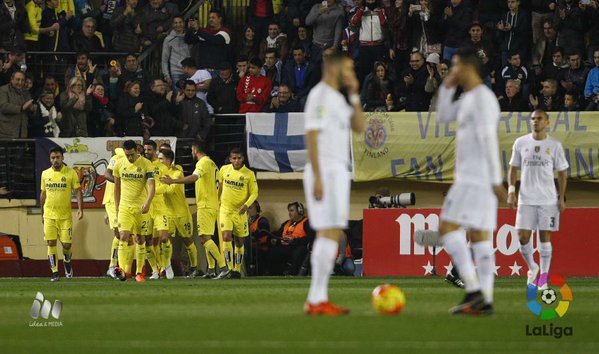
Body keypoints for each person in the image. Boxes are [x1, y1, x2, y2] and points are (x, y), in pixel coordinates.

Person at [416, 47, 506, 315]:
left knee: (448, 229)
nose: (451, 71)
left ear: (467, 68)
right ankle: (484, 300)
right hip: (472, 178)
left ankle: (475, 290)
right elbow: (443, 116)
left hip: (475, 178)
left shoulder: (483, 100)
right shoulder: (469, 99)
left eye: (455, 66)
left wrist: (495, 180)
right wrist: (446, 86)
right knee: (479, 238)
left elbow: (489, 140)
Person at [303, 53, 366, 315]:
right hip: (325, 170)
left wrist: (354, 93)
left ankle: (318, 298)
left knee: (334, 232)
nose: (351, 71)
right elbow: (312, 135)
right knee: (327, 232)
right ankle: (316, 299)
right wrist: (318, 176)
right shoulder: (319, 95)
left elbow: (360, 126)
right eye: (348, 67)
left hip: (339, 170)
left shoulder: (339, 98)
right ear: (335, 67)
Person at [508, 110, 568, 290]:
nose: (535, 121)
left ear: (547, 122)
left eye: (539, 118)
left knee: (544, 237)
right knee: (522, 236)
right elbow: (513, 168)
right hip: (525, 198)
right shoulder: (521, 143)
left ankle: (543, 279)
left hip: (548, 199)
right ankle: (532, 267)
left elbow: (562, 172)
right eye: (533, 119)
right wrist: (511, 191)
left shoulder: (554, 145)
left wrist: (561, 196)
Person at [161, 141, 230, 279]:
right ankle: (211, 269)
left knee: (204, 238)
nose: (191, 152)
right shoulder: (212, 164)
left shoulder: (202, 163)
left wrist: (173, 181)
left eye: (192, 150)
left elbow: (194, 177)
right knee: (208, 237)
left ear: (195, 149)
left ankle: (223, 267)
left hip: (205, 205)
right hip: (212, 204)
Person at [113, 139, 156, 282]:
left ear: (137, 151)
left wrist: (148, 203)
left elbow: (152, 186)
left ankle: (139, 272)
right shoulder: (119, 164)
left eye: (131, 155)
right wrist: (117, 206)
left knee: (140, 238)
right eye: (127, 155)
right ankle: (123, 270)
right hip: (125, 206)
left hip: (141, 207)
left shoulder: (146, 164)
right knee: (123, 236)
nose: (129, 158)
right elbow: (116, 187)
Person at [40, 147, 83, 281]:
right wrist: (42, 213)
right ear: (50, 159)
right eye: (53, 158)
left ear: (62, 158)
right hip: (49, 215)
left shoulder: (71, 173)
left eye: (58, 157)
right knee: (51, 242)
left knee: (66, 245)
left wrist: (80, 209)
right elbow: (43, 194)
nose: (55, 160)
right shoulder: (45, 174)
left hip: (65, 216)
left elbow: (78, 191)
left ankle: (67, 261)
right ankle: (55, 273)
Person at [218, 148, 259, 279]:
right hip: (225, 209)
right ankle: (229, 268)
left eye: (239, 158)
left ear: (243, 159)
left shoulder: (249, 174)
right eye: (234, 158)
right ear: (230, 159)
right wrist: (217, 202)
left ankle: (236, 269)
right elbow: (220, 187)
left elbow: (254, 193)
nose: (236, 161)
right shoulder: (224, 170)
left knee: (239, 241)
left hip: (240, 212)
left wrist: (246, 205)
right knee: (226, 236)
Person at [142, 140, 171, 279]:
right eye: (145, 149)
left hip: (159, 207)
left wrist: (153, 191)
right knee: (147, 241)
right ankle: (155, 270)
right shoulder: (140, 166)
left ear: (155, 151)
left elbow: (167, 186)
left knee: (164, 238)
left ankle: (166, 265)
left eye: (149, 149)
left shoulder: (162, 167)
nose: (147, 152)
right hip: (145, 208)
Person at [273, 201, 314, 275]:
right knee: (274, 252)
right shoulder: (287, 223)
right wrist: (275, 240)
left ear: (299, 211)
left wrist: (294, 241)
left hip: (299, 246)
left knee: (299, 251)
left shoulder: (307, 223)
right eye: (289, 211)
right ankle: (276, 274)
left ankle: (293, 274)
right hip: (286, 246)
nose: (289, 213)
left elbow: (311, 237)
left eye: (292, 210)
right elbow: (278, 233)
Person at [350, 0, 387, 81]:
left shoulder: (381, 10)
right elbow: (354, 22)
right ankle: (366, 91)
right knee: (365, 72)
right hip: (364, 47)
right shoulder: (360, 10)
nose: (370, 1)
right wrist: (361, 11)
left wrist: (380, 11)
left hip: (378, 45)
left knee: (380, 71)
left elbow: (384, 23)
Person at [0, 71, 35, 138]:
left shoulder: (26, 93)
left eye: (22, 80)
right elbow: (3, 106)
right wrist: (21, 108)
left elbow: (28, 112)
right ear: (11, 79)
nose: (20, 82)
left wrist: (32, 109)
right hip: (6, 133)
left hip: (22, 133)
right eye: (18, 79)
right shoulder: (2, 90)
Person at [162, 16, 191, 91]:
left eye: (180, 22)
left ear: (184, 23)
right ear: (172, 25)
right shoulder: (168, 39)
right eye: (175, 23)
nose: (178, 25)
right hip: (176, 72)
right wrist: (167, 75)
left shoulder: (190, 37)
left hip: (189, 71)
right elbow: (164, 59)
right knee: (178, 97)